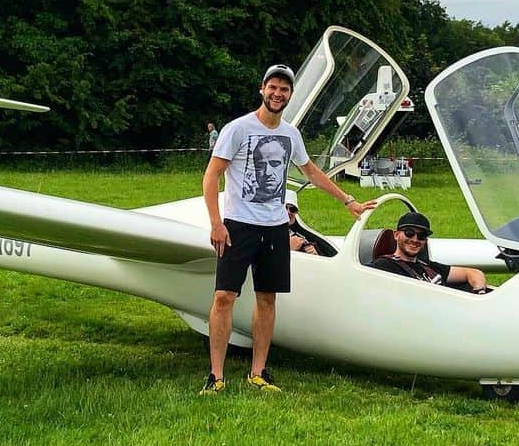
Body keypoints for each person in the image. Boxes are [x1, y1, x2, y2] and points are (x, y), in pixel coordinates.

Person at [200, 64, 374, 393]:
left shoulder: (290, 134)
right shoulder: (237, 129)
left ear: (290, 95)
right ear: (262, 89)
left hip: (276, 228)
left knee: (267, 299)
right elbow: (211, 177)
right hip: (238, 226)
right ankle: (216, 376)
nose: (277, 93)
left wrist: (347, 200)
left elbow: (311, 172)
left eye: (284, 89)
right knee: (224, 297)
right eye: (273, 87)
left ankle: (258, 372)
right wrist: (216, 223)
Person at [370, 211, 489, 293]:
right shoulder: (384, 265)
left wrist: (480, 292)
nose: (415, 239)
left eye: (421, 236)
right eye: (409, 233)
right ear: (396, 235)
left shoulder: (428, 266)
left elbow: (473, 273)